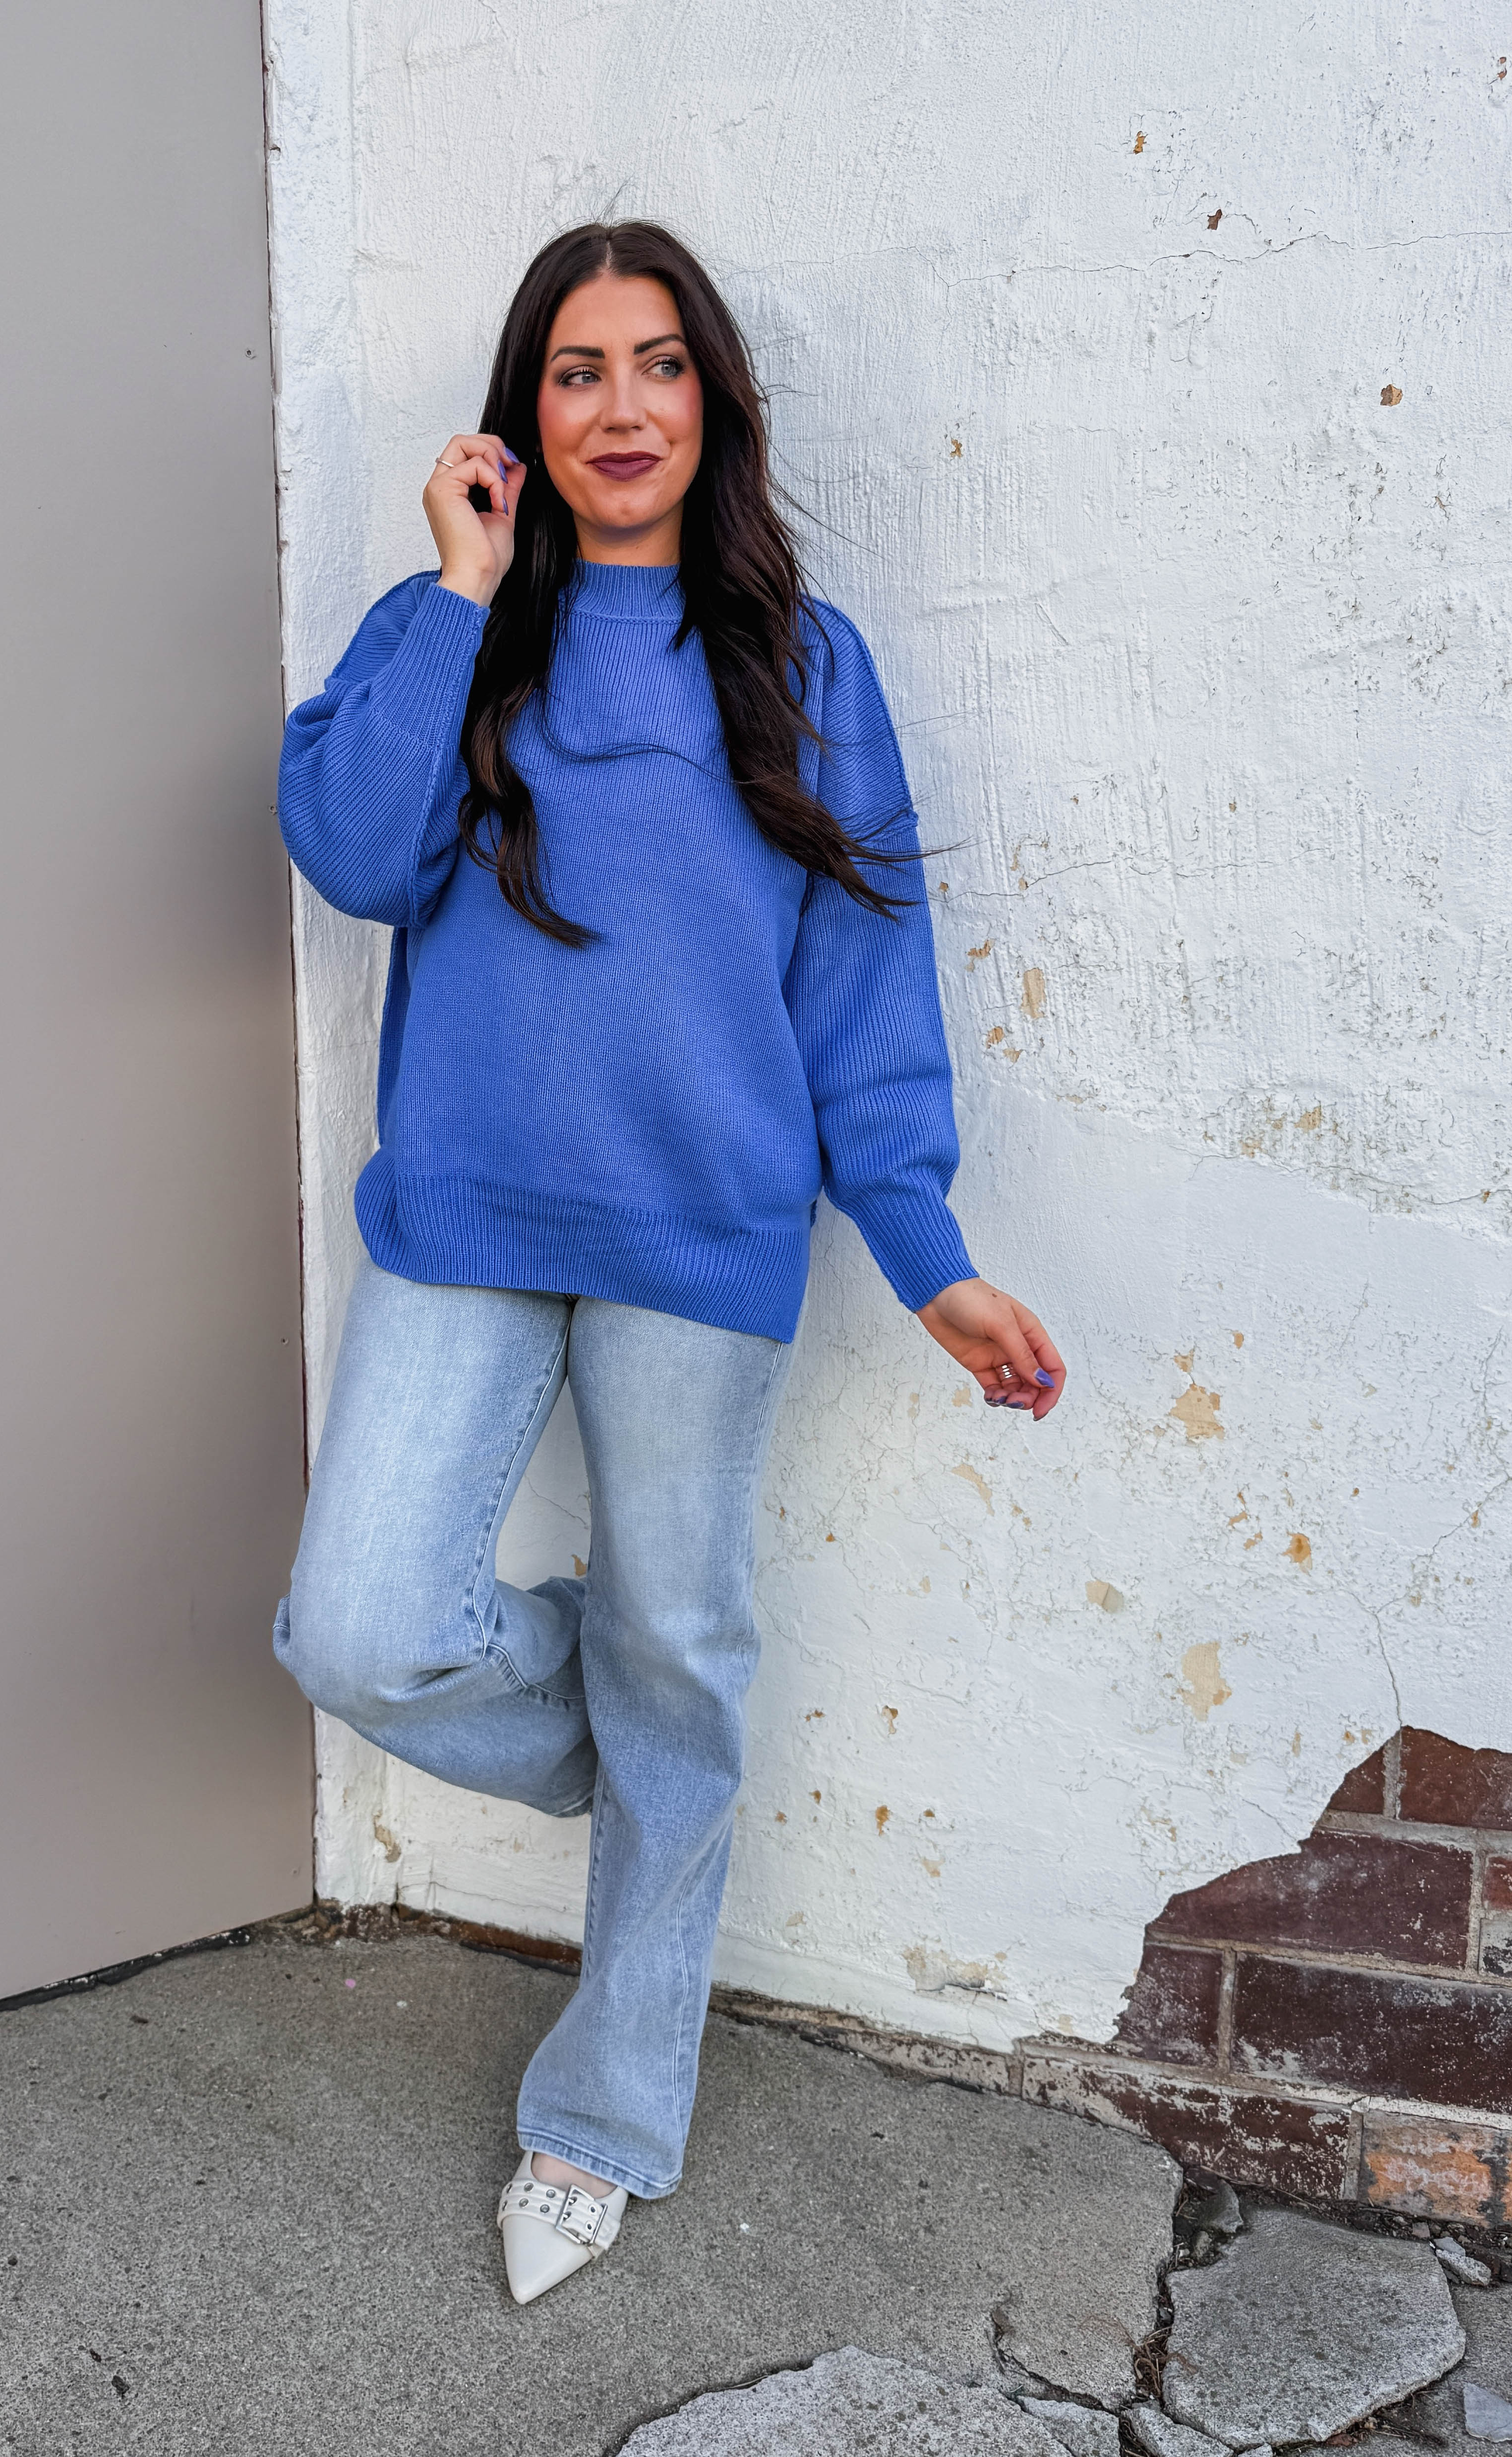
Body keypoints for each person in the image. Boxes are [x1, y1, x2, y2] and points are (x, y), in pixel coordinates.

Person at [272, 220, 1064, 2306]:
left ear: (711, 399)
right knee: (362, 1629)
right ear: (520, 416)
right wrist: (460, 591)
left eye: (657, 366)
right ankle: (651, 1749)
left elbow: (863, 974)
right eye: (575, 372)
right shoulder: (446, 629)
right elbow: (351, 856)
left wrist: (926, 1251)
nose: (620, 408)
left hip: (701, 1237)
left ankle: (603, 2118)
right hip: (464, 1218)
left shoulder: (804, 660)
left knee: (680, 1645)